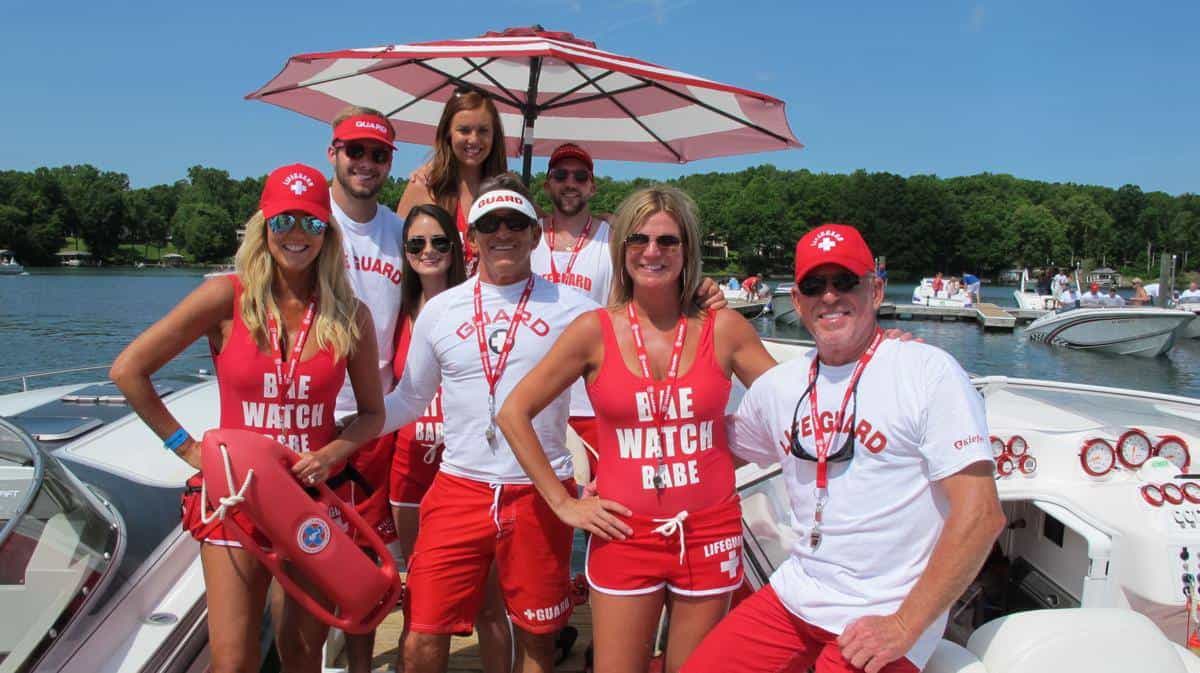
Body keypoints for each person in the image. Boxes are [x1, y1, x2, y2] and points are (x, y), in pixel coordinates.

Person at [682, 223, 1004, 673]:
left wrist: (905, 626)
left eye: (845, 281)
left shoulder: (928, 373)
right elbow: (709, 450)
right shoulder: (779, 387)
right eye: (815, 285)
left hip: (887, 613)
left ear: (875, 290)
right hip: (797, 594)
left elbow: (981, 516)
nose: (829, 296)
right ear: (797, 301)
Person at [110, 164, 385, 673]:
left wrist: (330, 455)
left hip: (310, 501)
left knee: (303, 654)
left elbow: (372, 415)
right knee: (233, 661)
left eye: (310, 223)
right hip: (235, 496)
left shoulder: (350, 314)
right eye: (283, 222)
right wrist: (187, 448)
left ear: (327, 233)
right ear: (263, 228)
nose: (296, 235)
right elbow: (129, 370)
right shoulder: (224, 297)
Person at [498, 186, 777, 673]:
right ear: (621, 248)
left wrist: (874, 354)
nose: (652, 251)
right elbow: (513, 411)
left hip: (708, 531)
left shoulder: (725, 327)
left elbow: (797, 404)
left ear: (687, 249)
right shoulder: (593, 329)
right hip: (624, 532)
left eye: (668, 241)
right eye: (639, 239)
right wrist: (563, 503)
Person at [380, 175, 597, 673]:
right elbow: (410, 398)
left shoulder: (576, 309)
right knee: (422, 634)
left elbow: (613, 388)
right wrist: (345, 429)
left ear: (536, 234)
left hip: (539, 491)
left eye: (515, 222)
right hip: (460, 488)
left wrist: (697, 297)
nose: (503, 232)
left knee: (539, 639)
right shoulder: (440, 309)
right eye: (489, 224)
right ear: (471, 237)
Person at [324, 106, 411, 672]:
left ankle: (357, 666)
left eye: (378, 154)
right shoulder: (309, 220)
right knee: (309, 555)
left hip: (374, 420)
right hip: (310, 415)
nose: (366, 163)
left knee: (365, 559)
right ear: (333, 153)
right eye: (355, 151)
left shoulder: (402, 234)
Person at [386, 204, 476, 671]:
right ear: (404, 252)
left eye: (440, 242)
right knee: (416, 584)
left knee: (483, 598)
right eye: (417, 243)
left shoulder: (476, 303)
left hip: (464, 470)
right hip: (409, 466)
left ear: (456, 248)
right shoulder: (394, 311)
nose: (429, 251)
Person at [396, 89, 509, 273]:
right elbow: (398, 255)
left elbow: (548, 226)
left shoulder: (507, 193)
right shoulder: (424, 187)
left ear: (494, 136)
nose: (474, 139)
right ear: (448, 133)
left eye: (483, 131)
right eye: (464, 130)